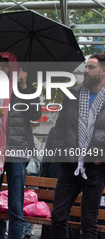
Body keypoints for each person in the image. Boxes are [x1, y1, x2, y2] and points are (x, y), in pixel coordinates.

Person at [0, 52, 41, 238]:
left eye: (5, 66)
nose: (1, 69)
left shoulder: (23, 89)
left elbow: (35, 114)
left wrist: (25, 86)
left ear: (13, 67)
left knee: (16, 206)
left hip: (17, 152)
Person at [51, 53, 105, 239]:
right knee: (58, 215)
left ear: (103, 71)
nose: (86, 70)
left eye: (91, 67)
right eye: (86, 67)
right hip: (69, 163)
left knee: (89, 221)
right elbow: (60, 126)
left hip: (95, 167)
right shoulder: (73, 94)